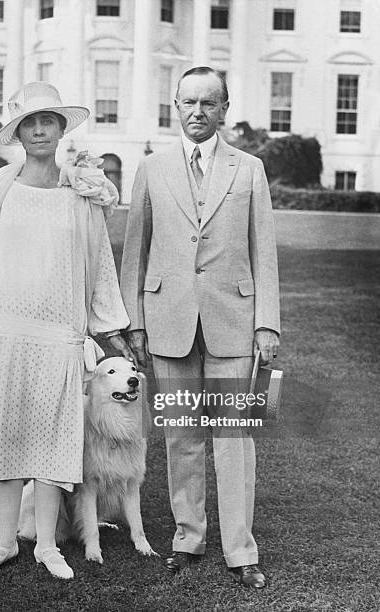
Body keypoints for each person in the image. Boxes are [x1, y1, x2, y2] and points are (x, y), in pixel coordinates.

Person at [0, 82, 133, 580]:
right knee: (7, 440)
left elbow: (100, 264)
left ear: (61, 126)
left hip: (59, 333)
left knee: (54, 443)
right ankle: (4, 543)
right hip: (4, 331)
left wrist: (109, 327)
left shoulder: (80, 191)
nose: (38, 130)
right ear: (18, 132)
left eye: (46, 120)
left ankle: (47, 546)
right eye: (29, 122)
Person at [120, 67, 280, 588]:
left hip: (235, 321)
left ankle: (241, 550)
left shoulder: (249, 169)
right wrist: (135, 321)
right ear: (175, 104)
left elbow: (264, 252)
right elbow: (134, 253)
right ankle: (187, 538)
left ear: (224, 109)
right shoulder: (151, 167)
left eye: (208, 103)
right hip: (167, 322)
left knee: (235, 437)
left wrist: (267, 325)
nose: (197, 112)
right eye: (188, 102)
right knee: (182, 438)